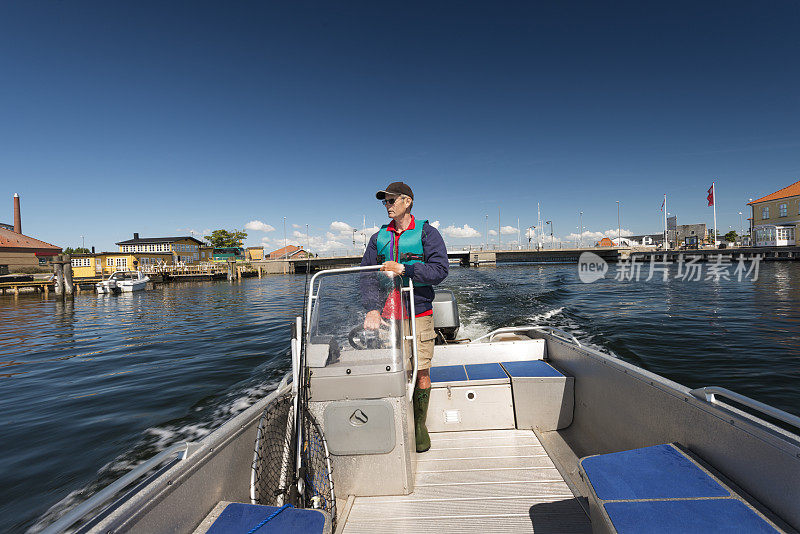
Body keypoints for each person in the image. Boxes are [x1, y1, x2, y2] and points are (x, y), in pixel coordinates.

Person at [361, 181, 448, 452]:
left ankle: (419, 425)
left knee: (421, 369)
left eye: (391, 200)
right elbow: (366, 275)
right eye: (384, 202)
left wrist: (406, 269)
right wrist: (372, 308)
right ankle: (399, 420)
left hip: (418, 311)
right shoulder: (378, 238)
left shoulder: (427, 233)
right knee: (396, 369)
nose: (387, 206)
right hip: (388, 314)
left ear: (406, 201)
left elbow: (440, 270)